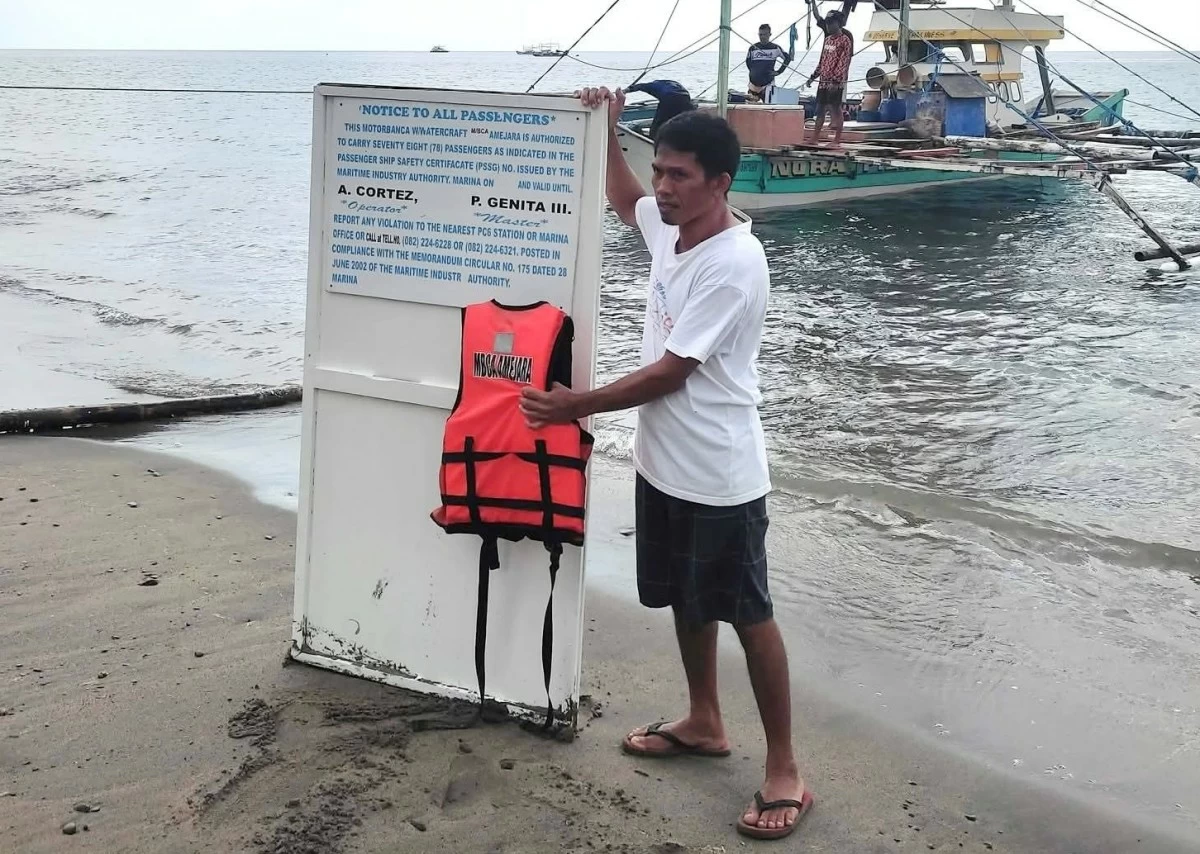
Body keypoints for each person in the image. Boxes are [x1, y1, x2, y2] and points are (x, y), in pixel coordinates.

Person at [519, 86, 813, 842]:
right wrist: (610, 129)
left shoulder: (733, 262)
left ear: (722, 183)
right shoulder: (668, 227)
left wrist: (571, 406)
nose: (665, 188)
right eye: (663, 171)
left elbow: (671, 372)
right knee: (686, 597)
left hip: (721, 473)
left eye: (682, 176)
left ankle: (784, 767)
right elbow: (623, 199)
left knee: (749, 614)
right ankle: (705, 719)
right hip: (663, 463)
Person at [804, 0, 855, 147]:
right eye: (827, 23)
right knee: (820, 108)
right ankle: (814, 138)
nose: (828, 25)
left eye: (831, 23)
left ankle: (836, 140)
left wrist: (836, 80)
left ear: (838, 23)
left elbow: (843, 62)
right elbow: (822, 61)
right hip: (823, 81)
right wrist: (813, 77)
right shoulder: (827, 40)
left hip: (835, 82)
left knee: (836, 109)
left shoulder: (845, 41)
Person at [624, 79, 696, 139]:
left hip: (669, 98)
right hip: (685, 98)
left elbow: (640, 86)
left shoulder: (653, 86)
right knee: (684, 120)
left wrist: (626, 90)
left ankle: (654, 138)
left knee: (659, 122)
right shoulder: (675, 84)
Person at [744, 24, 792, 104]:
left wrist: (779, 71)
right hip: (753, 85)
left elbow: (787, 58)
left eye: (765, 34)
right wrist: (754, 72)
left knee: (768, 107)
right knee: (750, 108)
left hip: (768, 84)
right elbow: (748, 62)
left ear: (769, 35)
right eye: (760, 34)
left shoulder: (775, 48)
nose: (762, 37)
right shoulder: (753, 48)